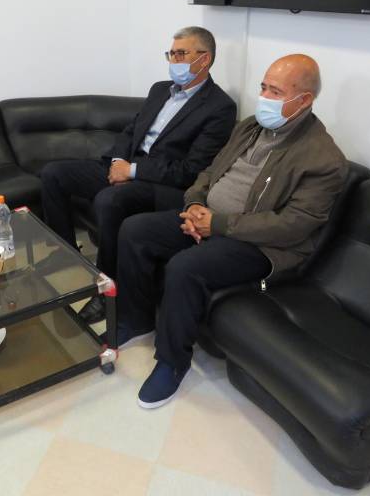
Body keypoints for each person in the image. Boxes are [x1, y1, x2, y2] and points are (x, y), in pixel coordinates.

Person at [113, 54, 347, 409]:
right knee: (136, 229)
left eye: (276, 91)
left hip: (262, 246)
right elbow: (210, 170)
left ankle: (172, 362)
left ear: (304, 100)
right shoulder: (251, 127)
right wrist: (194, 204)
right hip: (211, 219)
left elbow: (293, 225)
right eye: (263, 87)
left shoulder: (323, 159)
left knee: (185, 267)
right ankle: (136, 320)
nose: (264, 97)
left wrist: (217, 224)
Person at [40, 27, 237, 323]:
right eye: (171, 54)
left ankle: (106, 289)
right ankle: (65, 251)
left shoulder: (220, 107)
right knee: (53, 173)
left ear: (204, 59)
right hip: (126, 165)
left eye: (181, 54)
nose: (174, 60)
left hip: (160, 183)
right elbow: (131, 131)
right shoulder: (160, 89)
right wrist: (119, 161)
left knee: (109, 200)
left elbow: (191, 170)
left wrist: (132, 171)